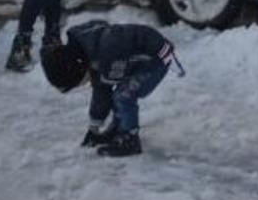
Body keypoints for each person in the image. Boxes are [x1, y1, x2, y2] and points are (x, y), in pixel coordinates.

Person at [39, 19, 182, 157]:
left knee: (123, 95)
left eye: (78, 83)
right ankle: (119, 128)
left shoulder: (106, 55)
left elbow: (103, 90)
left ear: (78, 69)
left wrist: (95, 127)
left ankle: (130, 139)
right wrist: (93, 128)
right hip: (135, 58)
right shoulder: (86, 49)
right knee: (117, 92)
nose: (83, 85)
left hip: (156, 60)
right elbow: (101, 92)